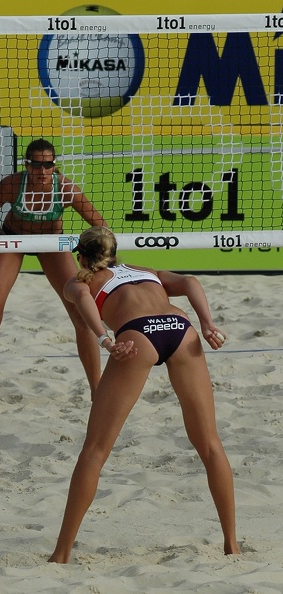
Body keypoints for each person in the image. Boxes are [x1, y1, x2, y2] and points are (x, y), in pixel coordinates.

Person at [48, 226, 240, 563]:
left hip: (137, 337)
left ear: (81, 255)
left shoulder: (80, 281)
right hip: (182, 331)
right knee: (210, 444)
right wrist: (207, 323)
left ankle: (62, 553)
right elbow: (191, 282)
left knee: (95, 450)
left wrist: (105, 339)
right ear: (114, 253)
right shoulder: (144, 271)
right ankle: (232, 545)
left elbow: (81, 301)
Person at [0, 138, 108, 403]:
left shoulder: (66, 189)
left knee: (83, 315)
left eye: (47, 165)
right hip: (13, 240)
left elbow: (102, 228)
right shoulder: (12, 184)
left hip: (51, 244)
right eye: (36, 165)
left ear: (54, 166)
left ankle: (97, 391)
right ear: (27, 164)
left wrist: (93, 262)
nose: (42, 171)